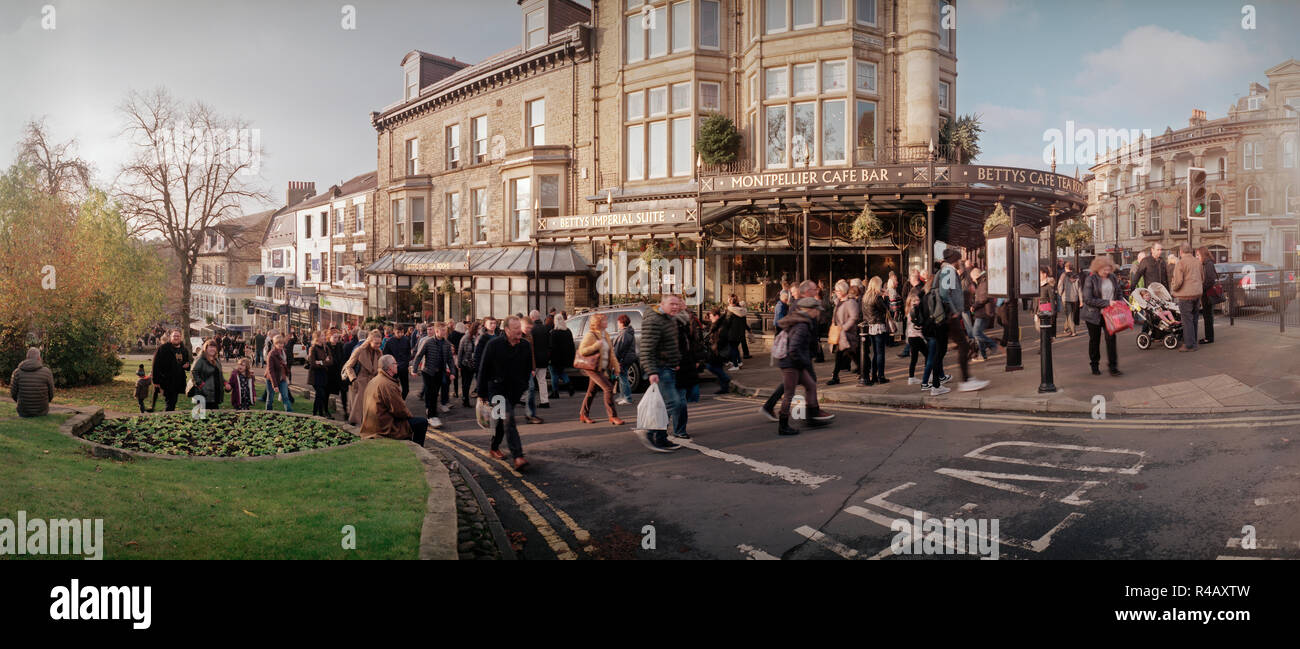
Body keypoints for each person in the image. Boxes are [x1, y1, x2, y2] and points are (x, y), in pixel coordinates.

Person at [477, 316, 533, 470]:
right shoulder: (494, 344)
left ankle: (494, 447)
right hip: (496, 389)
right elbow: (483, 368)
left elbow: (528, 368)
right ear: (507, 330)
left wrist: (522, 386)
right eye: (515, 328)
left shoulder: (525, 346)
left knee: (502, 422)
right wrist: (481, 393)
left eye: (519, 327)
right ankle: (518, 456)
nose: (518, 331)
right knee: (508, 418)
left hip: (514, 390)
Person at [775, 297, 837, 435]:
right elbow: (793, 348)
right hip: (791, 363)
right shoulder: (802, 325)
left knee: (810, 385)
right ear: (810, 310)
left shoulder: (802, 321)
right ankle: (783, 425)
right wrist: (804, 362)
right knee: (789, 393)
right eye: (817, 310)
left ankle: (813, 413)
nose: (818, 313)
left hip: (796, 362)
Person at [637, 294, 688, 452]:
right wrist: (651, 372)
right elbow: (646, 349)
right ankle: (649, 432)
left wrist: (675, 361)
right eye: (672, 304)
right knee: (674, 403)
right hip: (659, 368)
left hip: (669, 367)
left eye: (677, 304)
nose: (675, 307)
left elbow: (670, 343)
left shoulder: (668, 318)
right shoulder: (654, 320)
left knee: (667, 404)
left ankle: (661, 438)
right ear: (662, 303)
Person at [936, 248, 990, 392]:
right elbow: (944, 293)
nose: (960, 262)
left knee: (941, 349)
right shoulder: (948, 271)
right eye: (959, 259)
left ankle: (938, 380)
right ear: (954, 259)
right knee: (963, 346)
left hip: (948, 316)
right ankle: (965, 381)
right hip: (949, 317)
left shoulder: (948, 270)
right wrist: (953, 311)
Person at [359, 355, 429, 447]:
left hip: (373, 424)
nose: (397, 365)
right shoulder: (388, 384)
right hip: (384, 427)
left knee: (411, 422)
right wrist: (410, 416)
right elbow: (399, 410)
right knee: (422, 422)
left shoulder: (375, 380)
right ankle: (417, 450)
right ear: (390, 367)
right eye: (395, 363)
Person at [576, 313, 625, 425]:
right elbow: (582, 350)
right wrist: (596, 346)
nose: (606, 322)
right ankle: (613, 416)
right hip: (592, 368)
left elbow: (611, 353)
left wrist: (616, 367)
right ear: (598, 323)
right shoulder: (591, 335)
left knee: (591, 392)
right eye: (604, 320)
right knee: (608, 388)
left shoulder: (605, 334)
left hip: (601, 368)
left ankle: (583, 414)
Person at [1081, 256, 1125, 375]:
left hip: (1110, 314)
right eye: (1104, 270)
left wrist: (1120, 302)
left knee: (1111, 340)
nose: (1106, 272)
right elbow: (1088, 299)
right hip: (1093, 315)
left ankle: (1113, 367)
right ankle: (1094, 365)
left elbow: (1118, 292)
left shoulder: (1112, 277)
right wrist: (1107, 303)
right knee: (1094, 340)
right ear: (1097, 268)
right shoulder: (1091, 279)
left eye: (1108, 269)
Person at [412, 322, 454, 426]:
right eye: (442, 330)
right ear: (436, 331)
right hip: (427, 371)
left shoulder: (447, 344)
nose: (444, 332)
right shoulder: (428, 342)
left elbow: (450, 359)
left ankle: (432, 414)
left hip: (440, 372)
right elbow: (419, 355)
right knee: (431, 393)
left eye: (445, 330)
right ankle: (431, 416)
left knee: (435, 394)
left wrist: (453, 372)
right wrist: (414, 369)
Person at [1170, 242, 1204, 352]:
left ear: (1181, 251)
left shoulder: (1181, 263)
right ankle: (1193, 343)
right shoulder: (1197, 262)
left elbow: (1178, 281)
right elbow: (1202, 277)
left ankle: (1189, 345)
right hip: (1197, 294)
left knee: (1187, 320)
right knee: (1194, 319)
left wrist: (1173, 288)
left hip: (1185, 296)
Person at [344, 330, 383, 425]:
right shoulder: (359, 350)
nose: (378, 345)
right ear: (369, 341)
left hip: (372, 383)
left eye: (380, 343)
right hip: (359, 383)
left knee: (372, 410)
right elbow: (348, 366)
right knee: (358, 412)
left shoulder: (379, 352)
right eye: (376, 343)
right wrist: (354, 379)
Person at [828, 280, 860, 385]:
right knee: (846, 354)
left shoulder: (850, 302)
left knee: (848, 354)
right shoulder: (838, 302)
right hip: (839, 334)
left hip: (847, 334)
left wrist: (844, 328)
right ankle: (862, 370)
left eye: (837, 290)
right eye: (835, 290)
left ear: (843, 290)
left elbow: (854, 317)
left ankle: (835, 376)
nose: (836, 292)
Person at [151, 329, 192, 412]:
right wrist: (155, 381)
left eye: (178, 336)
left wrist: (187, 366)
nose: (176, 338)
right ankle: (167, 419)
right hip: (166, 381)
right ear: (170, 337)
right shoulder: (163, 348)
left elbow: (186, 363)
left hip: (178, 381)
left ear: (181, 337)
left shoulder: (183, 350)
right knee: (170, 402)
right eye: (174, 336)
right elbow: (155, 365)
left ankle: (168, 417)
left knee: (172, 402)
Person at [10, 347, 54, 417]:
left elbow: (13, 393)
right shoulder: (47, 372)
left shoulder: (17, 372)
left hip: (23, 411)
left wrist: (21, 402)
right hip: (42, 411)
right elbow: (51, 393)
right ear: (39, 358)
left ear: (27, 357)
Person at [862, 276, 890, 385]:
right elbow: (885, 309)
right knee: (880, 353)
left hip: (870, 326)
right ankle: (881, 376)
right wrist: (886, 297)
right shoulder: (876, 297)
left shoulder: (866, 296)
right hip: (878, 326)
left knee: (875, 352)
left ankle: (873, 375)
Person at [700, 310, 731, 395]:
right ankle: (724, 388)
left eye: (711, 316)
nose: (710, 318)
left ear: (716, 316)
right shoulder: (716, 324)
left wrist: (716, 345)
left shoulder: (722, 325)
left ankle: (726, 378)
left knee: (710, 366)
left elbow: (723, 338)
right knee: (718, 367)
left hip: (720, 351)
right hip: (717, 350)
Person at [970, 268, 998, 360]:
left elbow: (983, 298)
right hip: (982, 311)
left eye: (972, 278)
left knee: (976, 333)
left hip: (984, 312)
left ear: (976, 276)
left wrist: (974, 306)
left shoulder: (983, 282)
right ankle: (983, 355)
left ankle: (992, 344)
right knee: (979, 334)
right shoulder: (983, 281)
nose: (972, 280)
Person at [190, 339, 226, 409]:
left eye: (214, 347)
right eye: (210, 347)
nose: (212, 349)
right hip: (203, 394)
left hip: (215, 393)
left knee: (213, 416)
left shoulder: (216, 360)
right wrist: (201, 385)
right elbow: (193, 372)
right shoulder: (200, 359)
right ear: (206, 348)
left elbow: (219, 374)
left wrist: (225, 383)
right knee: (201, 416)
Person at [263, 334, 294, 411]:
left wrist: (287, 375)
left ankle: (290, 414)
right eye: (278, 343)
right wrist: (275, 385)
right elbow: (271, 371)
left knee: (285, 397)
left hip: (282, 378)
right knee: (270, 398)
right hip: (271, 379)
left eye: (282, 343)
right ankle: (268, 414)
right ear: (275, 344)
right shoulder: (271, 354)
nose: (281, 345)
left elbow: (285, 365)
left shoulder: (284, 352)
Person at [528, 310, 551, 410]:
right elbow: (549, 344)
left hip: (534, 359)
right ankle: (544, 400)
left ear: (532, 318)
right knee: (542, 380)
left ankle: (523, 399)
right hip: (544, 358)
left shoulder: (531, 329)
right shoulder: (545, 328)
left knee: (528, 381)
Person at [548, 314, 576, 398]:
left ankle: (555, 392)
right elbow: (572, 345)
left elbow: (551, 347)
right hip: (565, 357)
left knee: (554, 373)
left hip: (555, 358)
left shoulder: (553, 333)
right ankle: (569, 385)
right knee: (561, 372)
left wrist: (549, 358)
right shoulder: (568, 331)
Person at [382, 323, 413, 399]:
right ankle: (395, 403)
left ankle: (401, 402)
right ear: (394, 331)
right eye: (398, 332)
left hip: (403, 368)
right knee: (392, 389)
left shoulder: (406, 340)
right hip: (393, 369)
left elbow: (408, 352)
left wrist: (406, 362)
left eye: (402, 332)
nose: (400, 334)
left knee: (406, 389)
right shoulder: (389, 342)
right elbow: (385, 355)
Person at [306, 332, 334, 417]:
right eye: (322, 336)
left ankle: (317, 414)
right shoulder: (313, 348)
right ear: (317, 338)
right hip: (315, 375)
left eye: (324, 335)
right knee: (320, 394)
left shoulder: (326, 348)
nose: (324, 337)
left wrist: (321, 362)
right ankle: (317, 413)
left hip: (324, 375)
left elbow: (331, 362)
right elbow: (313, 364)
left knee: (320, 395)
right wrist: (325, 361)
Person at [903, 294, 929, 385]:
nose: (917, 302)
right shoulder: (914, 311)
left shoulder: (909, 311)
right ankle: (928, 375)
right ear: (910, 302)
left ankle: (911, 377)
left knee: (914, 359)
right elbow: (917, 326)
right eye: (914, 301)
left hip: (911, 337)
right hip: (916, 337)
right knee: (928, 354)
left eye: (918, 300)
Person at [613, 314, 638, 404]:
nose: (618, 324)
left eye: (618, 322)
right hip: (628, 357)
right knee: (621, 377)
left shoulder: (624, 333)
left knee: (623, 377)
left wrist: (617, 360)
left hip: (624, 358)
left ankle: (627, 398)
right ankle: (622, 396)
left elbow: (620, 348)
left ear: (622, 323)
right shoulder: (628, 332)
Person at [1196, 246, 1217, 345]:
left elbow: (1210, 280)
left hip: (1207, 294)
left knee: (1207, 316)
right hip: (1207, 294)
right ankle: (1209, 337)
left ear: (1202, 254)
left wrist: (1201, 288)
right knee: (1208, 316)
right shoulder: (1207, 263)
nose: (1197, 257)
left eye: (1198, 255)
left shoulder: (1208, 264)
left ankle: (1208, 338)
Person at [457, 321, 480, 408]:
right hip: (466, 364)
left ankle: (466, 399)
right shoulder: (466, 338)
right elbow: (461, 351)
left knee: (470, 382)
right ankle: (465, 400)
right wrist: (459, 364)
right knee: (466, 383)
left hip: (474, 364)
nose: (480, 330)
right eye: (478, 328)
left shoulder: (478, 337)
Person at [1058, 262, 1081, 337]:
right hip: (1074, 298)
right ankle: (1066, 327)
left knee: (1069, 314)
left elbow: (1060, 285)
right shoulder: (1076, 276)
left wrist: (1060, 293)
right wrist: (1081, 300)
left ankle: (1073, 331)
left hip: (1066, 297)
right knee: (1071, 314)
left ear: (1065, 267)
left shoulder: (1063, 275)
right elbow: (1079, 289)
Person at [1037, 268, 1059, 340]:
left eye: (1040, 273)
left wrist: (1053, 311)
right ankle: (1047, 340)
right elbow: (1035, 299)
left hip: (1045, 309)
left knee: (1043, 329)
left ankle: (1045, 343)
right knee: (1038, 327)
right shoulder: (1037, 284)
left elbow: (1052, 299)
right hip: (1039, 309)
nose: (1038, 275)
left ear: (1044, 274)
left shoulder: (1048, 286)